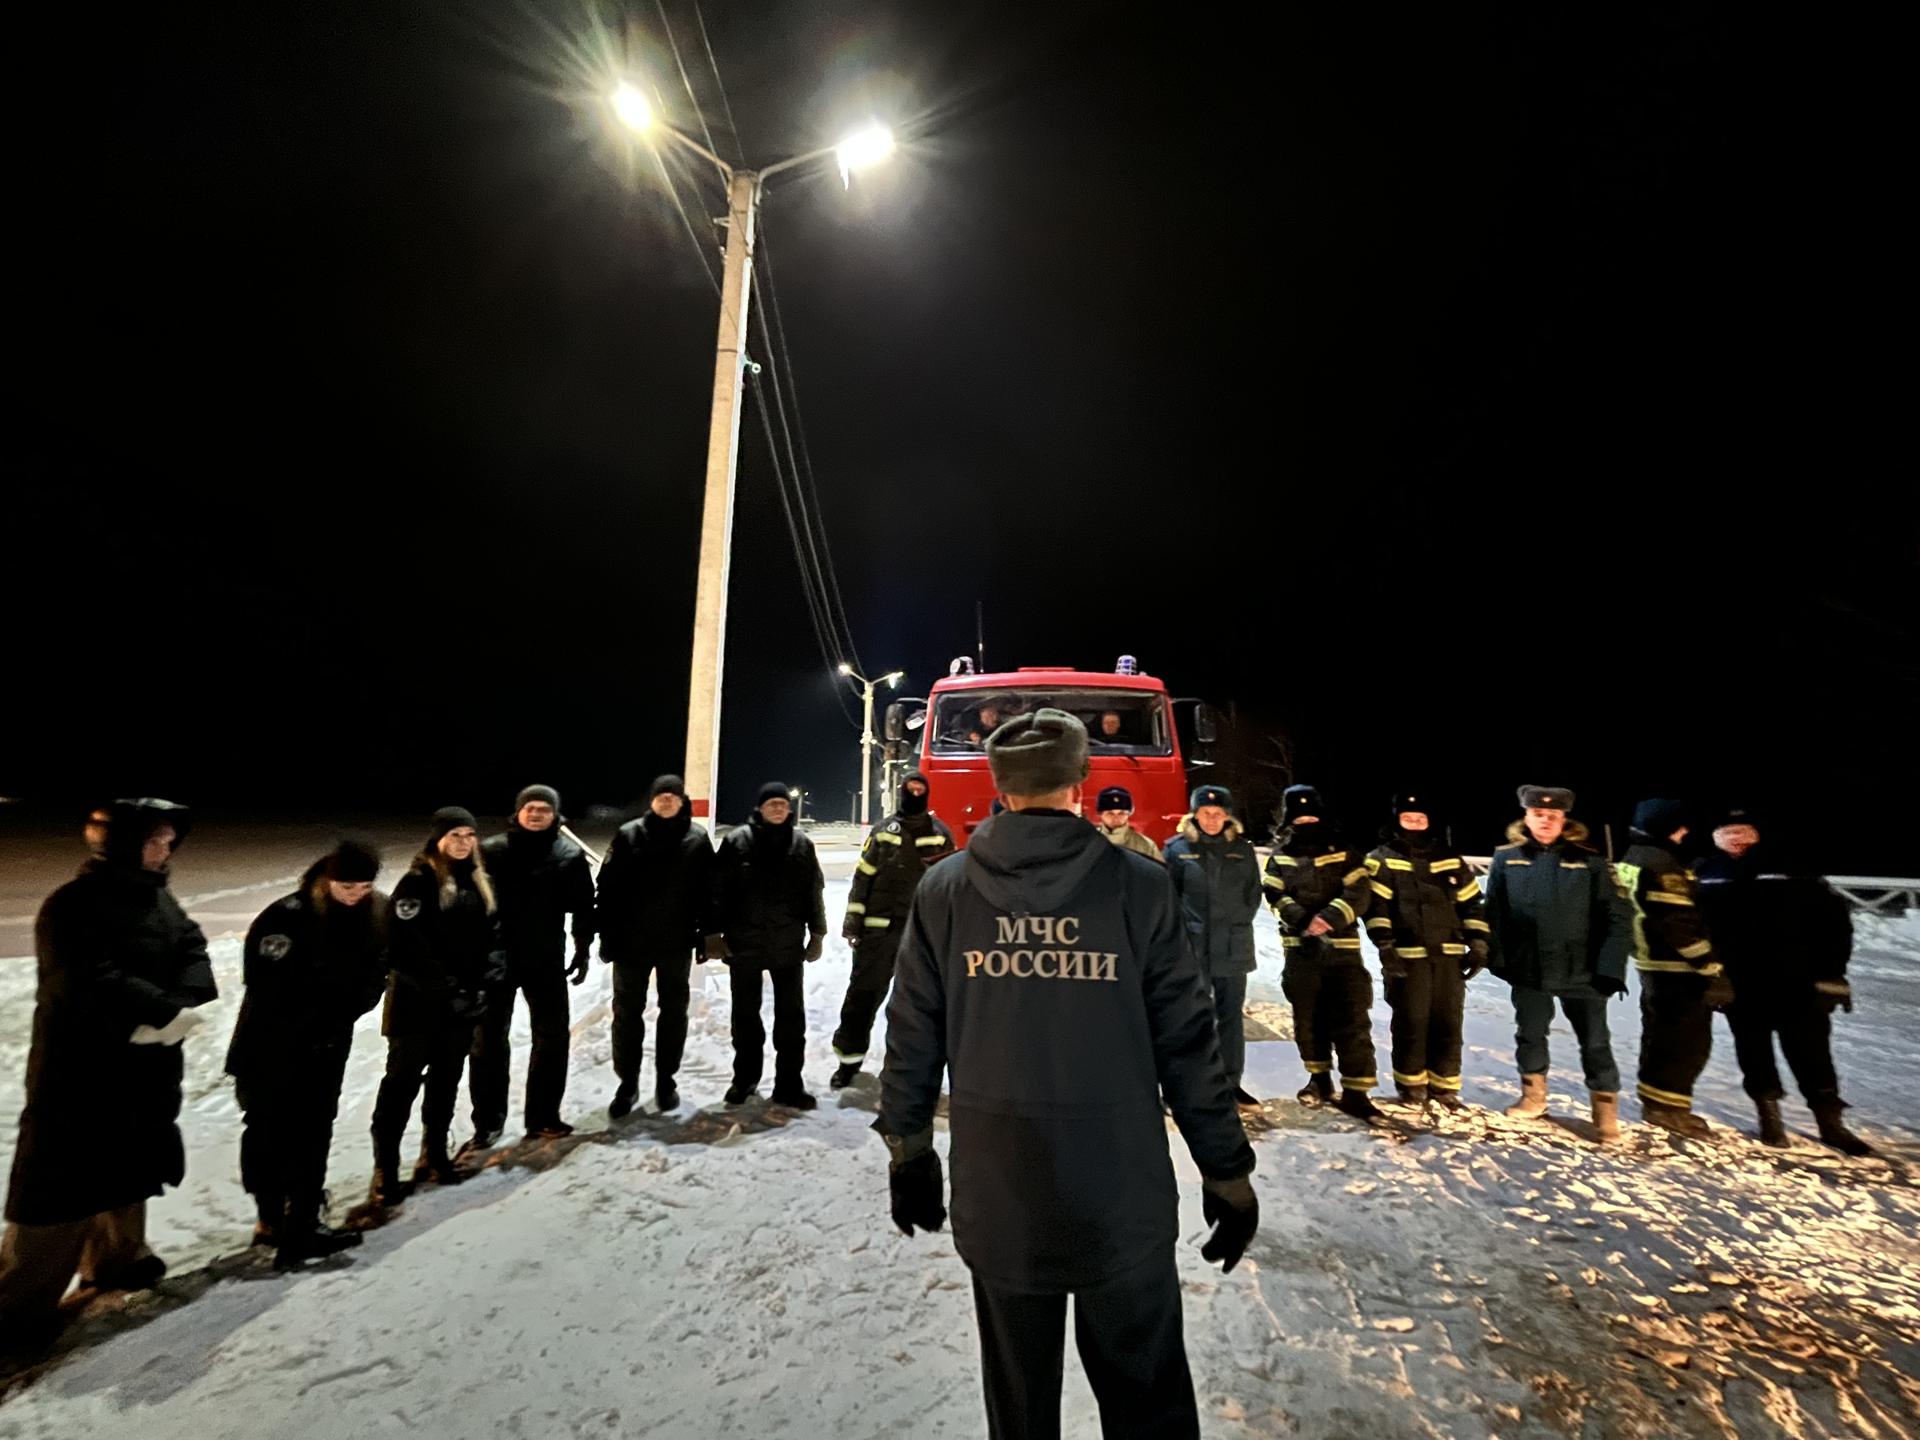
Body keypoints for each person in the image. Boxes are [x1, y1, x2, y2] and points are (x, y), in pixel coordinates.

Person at [876, 709, 1257, 1439]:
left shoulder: (946, 891)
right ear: (1082, 783)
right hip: (1121, 1191)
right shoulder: (1141, 887)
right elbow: (1188, 1042)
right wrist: (1226, 1170)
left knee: (1020, 1411)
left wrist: (909, 1147)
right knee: (1148, 1403)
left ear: (999, 784)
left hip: (1001, 1191)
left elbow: (913, 1031)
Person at [1, 800, 218, 1352]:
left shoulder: (156, 895)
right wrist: (157, 1012)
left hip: (143, 1067)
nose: (165, 852)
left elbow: (191, 943)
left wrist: (183, 1001)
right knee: (61, 1185)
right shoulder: (72, 906)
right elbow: (87, 979)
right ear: (117, 844)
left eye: (169, 842)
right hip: (81, 1069)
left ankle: (119, 1261)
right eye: (155, 841)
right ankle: (18, 1306)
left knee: (128, 1162)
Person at [226, 838, 388, 1266]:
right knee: (268, 1133)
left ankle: (302, 1224)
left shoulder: (374, 914)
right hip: (270, 1047)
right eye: (346, 887)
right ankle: (270, 1219)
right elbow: (267, 985)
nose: (355, 896)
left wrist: (349, 1008)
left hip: (327, 1046)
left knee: (314, 1132)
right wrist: (320, 1014)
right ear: (327, 880)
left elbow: (376, 973)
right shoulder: (286, 916)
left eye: (363, 888)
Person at [1696, 809, 1873, 1155]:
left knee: (1812, 1052)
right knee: (1753, 1050)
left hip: (1798, 981)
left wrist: (1832, 975)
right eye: (1726, 831)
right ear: (1715, 837)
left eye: (1742, 830)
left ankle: (1830, 1121)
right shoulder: (1705, 873)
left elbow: (1835, 924)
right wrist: (1713, 976)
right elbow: (1696, 928)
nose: (1735, 837)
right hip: (1741, 983)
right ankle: (1769, 1116)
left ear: (1757, 834)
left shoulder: (1791, 867)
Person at [367, 807, 503, 1208]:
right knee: (400, 1086)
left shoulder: (479, 881)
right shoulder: (418, 882)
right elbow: (406, 947)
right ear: (438, 839)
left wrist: (488, 977)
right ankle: (385, 1171)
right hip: (417, 1006)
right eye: (454, 835)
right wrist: (447, 987)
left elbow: (491, 935)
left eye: (468, 834)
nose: (462, 842)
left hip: (460, 1008)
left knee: (445, 1083)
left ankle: (434, 1156)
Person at [1485, 786, 1632, 1140]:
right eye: (1538, 814)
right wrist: (1499, 959)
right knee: (1530, 1034)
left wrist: (1610, 968)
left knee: (1595, 1039)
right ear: (1526, 817)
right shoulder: (1507, 858)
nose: (1545, 820)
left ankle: (1604, 1109)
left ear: (1565, 819)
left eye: (1553, 815)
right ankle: (1533, 1097)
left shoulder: (1590, 860)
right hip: (1529, 968)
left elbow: (1616, 916)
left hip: (1583, 970)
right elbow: (1495, 914)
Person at [470, 785, 596, 1146]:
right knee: (488, 1041)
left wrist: (582, 948)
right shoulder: (491, 851)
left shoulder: (568, 855)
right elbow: (472, 905)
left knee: (552, 1038)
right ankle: (488, 1122)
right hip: (496, 960)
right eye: (531, 808)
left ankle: (543, 1116)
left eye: (544, 809)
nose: (537, 814)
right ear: (519, 812)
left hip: (545, 959)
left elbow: (584, 907)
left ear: (555, 816)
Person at [596, 775, 714, 1117]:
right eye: (661, 796)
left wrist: (707, 936)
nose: (666, 801)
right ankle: (627, 1084)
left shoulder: (696, 838)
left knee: (674, 1013)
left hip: (676, 943)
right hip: (631, 944)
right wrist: (607, 936)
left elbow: (710, 892)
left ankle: (666, 1082)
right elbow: (607, 889)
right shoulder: (629, 834)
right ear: (651, 801)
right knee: (626, 1014)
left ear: (682, 801)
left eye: (673, 797)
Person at [829, 771, 954, 1090]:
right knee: (862, 997)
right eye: (909, 789)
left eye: (919, 789)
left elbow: (952, 887)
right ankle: (848, 1062)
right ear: (901, 793)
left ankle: (913, 1071)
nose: (914, 793)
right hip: (879, 934)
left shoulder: (940, 833)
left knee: (921, 1007)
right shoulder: (884, 831)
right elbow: (863, 877)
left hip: (924, 935)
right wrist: (852, 923)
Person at [1362, 792, 1488, 1108]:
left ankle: (1444, 1087)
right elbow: (1376, 908)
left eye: (1421, 819)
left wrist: (1478, 942)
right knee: (1411, 1022)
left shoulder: (1449, 859)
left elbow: (1472, 903)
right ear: (1396, 821)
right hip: (1407, 957)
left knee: (1447, 1023)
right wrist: (1386, 947)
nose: (1415, 825)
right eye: (1408, 819)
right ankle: (1411, 1085)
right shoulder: (1380, 859)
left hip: (1447, 956)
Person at [1261, 785, 1379, 1119]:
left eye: (1311, 815)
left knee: (1352, 1019)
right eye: (1299, 817)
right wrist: (1300, 920)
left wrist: (1327, 919)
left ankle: (1357, 1091)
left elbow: (1359, 893)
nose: (1306, 821)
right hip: (1300, 950)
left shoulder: (1346, 852)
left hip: (1342, 951)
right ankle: (1319, 1079)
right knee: (1308, 1019)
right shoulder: (1280, 856)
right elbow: (1272, 895)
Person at [711, 782, 828, 1109]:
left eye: (782, 804)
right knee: (745, 1019)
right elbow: (718, 891)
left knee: (791, 1021)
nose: (778, 809)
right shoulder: (736, 842)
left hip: (787, 946)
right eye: (771, 804)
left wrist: (817, 933)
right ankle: (744, 1080)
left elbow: (813, 892)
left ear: (788, 810)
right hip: (743, 945)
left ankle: (789, 1084)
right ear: (760, 808)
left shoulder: (802, 844)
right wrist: (712, 935)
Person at [1618, 798, 1727, 1139]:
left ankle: (1656, 1100)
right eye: (1677, 825)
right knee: (1685, 1043)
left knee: (1660, 1036)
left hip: (1651, 962)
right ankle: (1668, 1111)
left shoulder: (1634, 856)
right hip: (1676, 968)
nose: (1684, 832)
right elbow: (1678, 922)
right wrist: (1710, 967)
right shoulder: (1662, 864)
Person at [1165, 784, 1264, 1106]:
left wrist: (1237, 922)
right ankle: (1187, 1083)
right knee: (1190, 1015)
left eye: (1218, 813)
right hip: (1193, 948)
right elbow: (1170, 897)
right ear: (1194, 815)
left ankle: (1230, 1082)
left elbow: (1253, 894)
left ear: (1227, 816)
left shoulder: (1243, 850)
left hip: (1233, 947)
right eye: (1205, 813)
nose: (1211, 819)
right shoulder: (1177, 849)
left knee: (1230, 1017)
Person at [1092, 784, 1163, 861]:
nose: (1116, 818)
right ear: (1100, 814)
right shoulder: (1089, 842)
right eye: (1110, 813)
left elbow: (1158, 871)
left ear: (1129, 814)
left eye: (1121, 813)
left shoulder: (1146, 845)